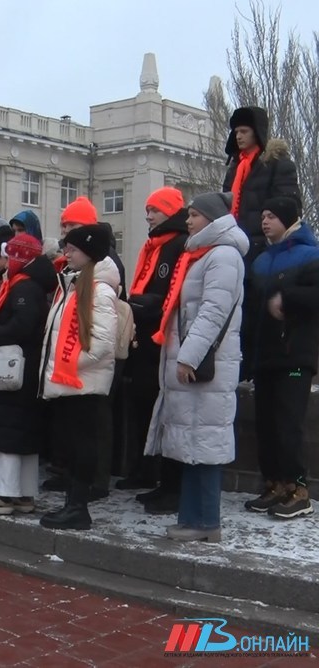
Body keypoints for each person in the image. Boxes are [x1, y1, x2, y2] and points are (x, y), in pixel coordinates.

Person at [145, 192, 247, 543]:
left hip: (206, 367)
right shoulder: (204, 254)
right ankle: (194, 518)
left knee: (205, 443)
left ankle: (205, 522)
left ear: (212, 218)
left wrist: (188, 356)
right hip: (199, 364)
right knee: (194, 443)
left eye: (194, 215)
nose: (187, 221)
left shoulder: (222, 256)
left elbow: (213, 311)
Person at [38, 224, 120, 531]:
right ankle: (72, 504)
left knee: (83, 445)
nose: (66, 254)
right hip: (68, 380)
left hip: (82, 382)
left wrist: (66, 363)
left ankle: (78, 507)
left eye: (71, 249)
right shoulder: (73, 285)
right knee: (71, 446)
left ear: (88, 252)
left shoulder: (99, 291)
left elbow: (101, 343)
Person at [0, 234, 55, 513]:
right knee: (22, 434)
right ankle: (22, 493)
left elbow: (23, 325)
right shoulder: (31, 286)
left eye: (3, 258)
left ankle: (2, 493)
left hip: (12, 368)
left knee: (4, 431)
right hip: (24, 369)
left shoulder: (22, 288)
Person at [243, 196, 318, 518]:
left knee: (289, 425)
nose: (265, 221)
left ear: (289, 219)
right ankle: (275, 484)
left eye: (272, 216)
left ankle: (300, 489)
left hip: (294, 353)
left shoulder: (311, 255)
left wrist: (286, 298)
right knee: (267, 425)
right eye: (263, 215)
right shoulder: (260, 259)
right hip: (265, 355)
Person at [118, 188, 189, 513]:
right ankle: (145, 470)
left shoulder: (175, 246)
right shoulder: (153, 246)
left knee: (157, 407)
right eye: (147, 210)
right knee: (141, 405)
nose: (148, 216)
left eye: (154, 211)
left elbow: (168, 294)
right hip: (145, 335)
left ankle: (159, 475)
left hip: (160, 336)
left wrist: (138, 305)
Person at [222, 106, 302, 263]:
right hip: (233, 245)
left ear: (257, 132)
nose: (238, 136)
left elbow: (289, 208)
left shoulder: (277, 164)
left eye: (244, 131)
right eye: (236, 132)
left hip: (265, 248)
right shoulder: (234, 168)